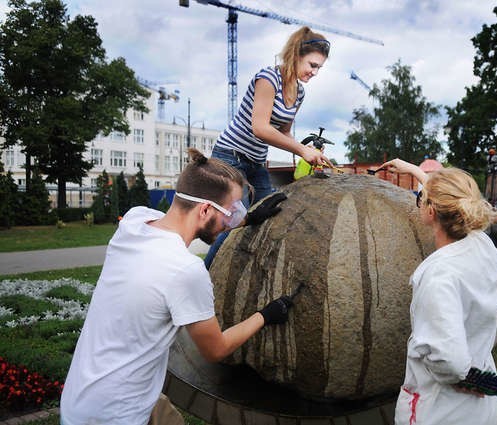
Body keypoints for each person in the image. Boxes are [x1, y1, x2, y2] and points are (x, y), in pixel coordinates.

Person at [60, 148, 294, 425]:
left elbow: (198, 219)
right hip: (115, 415)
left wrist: (248, 220)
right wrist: (266, 314)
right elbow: (215, 350)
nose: (231, 221)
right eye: (231, 213)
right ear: (205, 209)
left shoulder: (134, 222)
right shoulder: (185, 270)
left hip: (82, 397)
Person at [379, 158, 497, 425]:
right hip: (479, 410)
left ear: (432, 211)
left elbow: (449, 360)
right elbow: (450, 199)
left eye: (421, 199)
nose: (419, 202)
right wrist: (413, 171)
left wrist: (467, 378)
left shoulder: (439, 276)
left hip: (443, 410)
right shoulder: (484, 246)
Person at [204, 26, 332, 269]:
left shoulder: (299, 92)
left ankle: (250, 275)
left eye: (319, 68)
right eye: (312, 65)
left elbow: (283, 133)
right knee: (231, 225)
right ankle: (205, 280)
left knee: (270, 215)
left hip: (256, 162)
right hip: (230, 158)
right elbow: (260, 128)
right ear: (296, 54)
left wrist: (310, 152)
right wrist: (302, 150)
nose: (315, 72)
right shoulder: (268, 78)